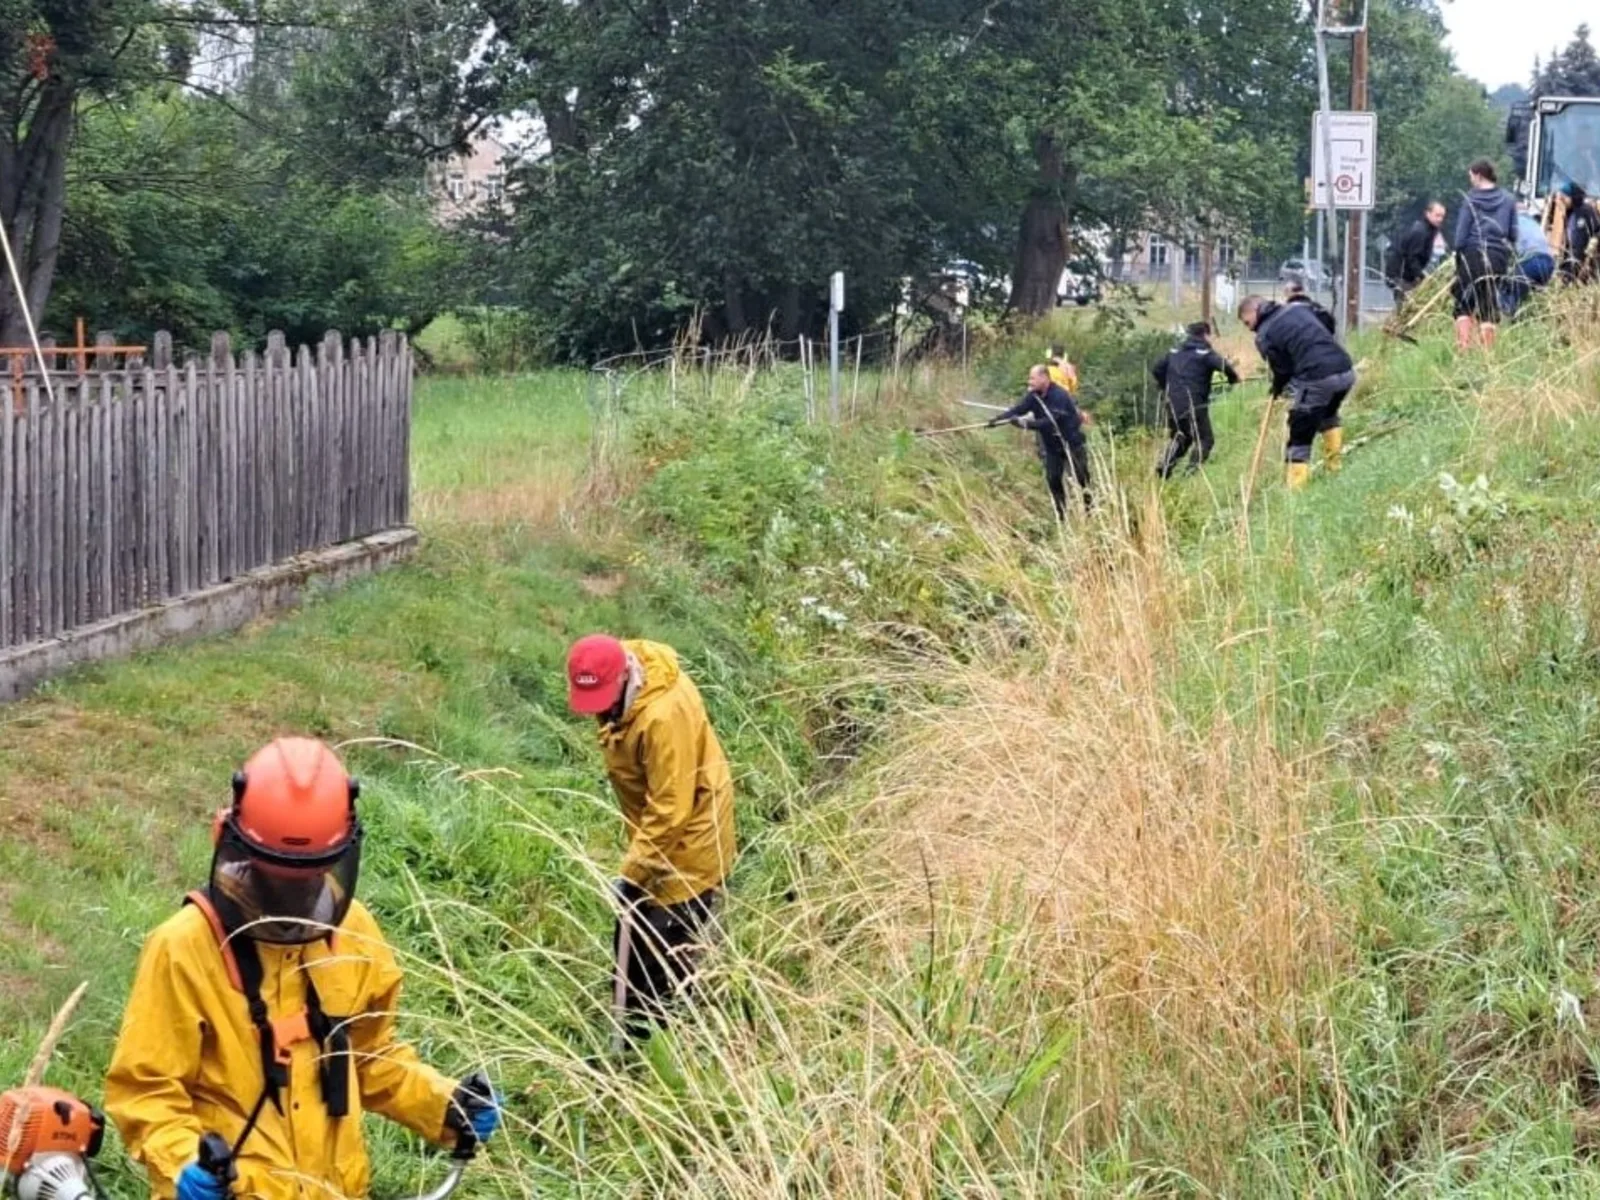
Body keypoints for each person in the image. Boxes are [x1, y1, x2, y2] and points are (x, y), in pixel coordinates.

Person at [106, 739, 500, 1200]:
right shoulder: (185, 947)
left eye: (309, 876)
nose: (291, 898)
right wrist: (184, 1165)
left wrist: (446, 1103)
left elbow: (371, 1058)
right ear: (232, 844)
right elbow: (146, 1091)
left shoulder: (354, 932)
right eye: (275, 875)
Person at [566, 635, 735, 1044]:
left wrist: (630, 875)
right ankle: (628, 1025)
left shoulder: (662, 717)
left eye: (605, 699)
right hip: (656, 838)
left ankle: (662, 1044)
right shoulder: (616, 671)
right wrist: (635, 874)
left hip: (690, 839)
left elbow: (670, 809)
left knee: (665, 944)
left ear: (626, 675)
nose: (600, 712)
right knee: (632, 932)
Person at [1238, 294, 1357, 491]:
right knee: (1327, 415)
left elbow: (1282, 369)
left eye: (1247, 322)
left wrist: (1277, 388)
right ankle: (1334, 469)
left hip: (1318, 377)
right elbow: (1328, 320)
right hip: (1345, 371)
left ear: (1255, 310)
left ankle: (1296, 492)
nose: (1249, 328)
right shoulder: (1297, 308)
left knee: (1299, 434)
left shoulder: (1265, 334)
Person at [986, 364, 1092, 518]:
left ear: (1044, 378)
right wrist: (997, 420)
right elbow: (1018, 409)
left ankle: (1090, 511)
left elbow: (1050, 422)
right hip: (1052, 448)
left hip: (1071, 443)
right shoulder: (1034, 396)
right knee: (1053, 480)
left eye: (1032, 378)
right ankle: (1061, 516)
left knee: (1082, 479)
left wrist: (1025, 424)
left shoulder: (1060, 396)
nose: (1030, 382)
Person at [1152, 321, 1239, 479]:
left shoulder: (1174, 351)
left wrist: (1166, 387)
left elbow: (1157, 369)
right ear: (1206, 335)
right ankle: (1190, 474)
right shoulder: (1205, 353)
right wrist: (1234, 380)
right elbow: (1225, 367)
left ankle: (1164, 467)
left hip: (1173, 403)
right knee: (1206, 440)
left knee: (1181, 437)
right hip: (1195, 403)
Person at [1452, 158, 1518, 351]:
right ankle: (1487, 355)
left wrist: (1457, 258)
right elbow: (1513, 233)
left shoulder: (1470, 199)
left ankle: (1463, 349)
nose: (1471, 180)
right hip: (1498, 256)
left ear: (1479, 175)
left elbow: (1460, 236)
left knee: (1463, 302)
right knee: (1488, 303)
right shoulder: (1508, 199)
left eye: (1471, 176)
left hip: (1472, 254)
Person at [1385, 200, 1448, 306]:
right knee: (1407, 305)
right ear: (1427, 213)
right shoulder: (1420, 231)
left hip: (1406, 274)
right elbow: (1412, 257)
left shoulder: (1428, 230)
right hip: (1401, 274)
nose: (1440, 219)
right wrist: (1421, 276)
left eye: (1442, 216)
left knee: (1411, 304)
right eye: (1437, 215)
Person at [1499, 212, 1556, 320]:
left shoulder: (1511, 223)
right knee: (1535, 296)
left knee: (1508, 288)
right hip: (1549, 263)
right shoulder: (1533, 223)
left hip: (1531, 261)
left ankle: (1507, 319)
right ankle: (1537, 319)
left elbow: (1504, 250)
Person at [1559, 181, 1599, 283]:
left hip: (1584, 262)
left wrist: (1586, 260)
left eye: (1565, 197)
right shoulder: (1571, 212)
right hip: (1571, 261)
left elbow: (1594, 234)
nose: (1561, 200)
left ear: (1573, 197)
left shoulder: (1585, 212)